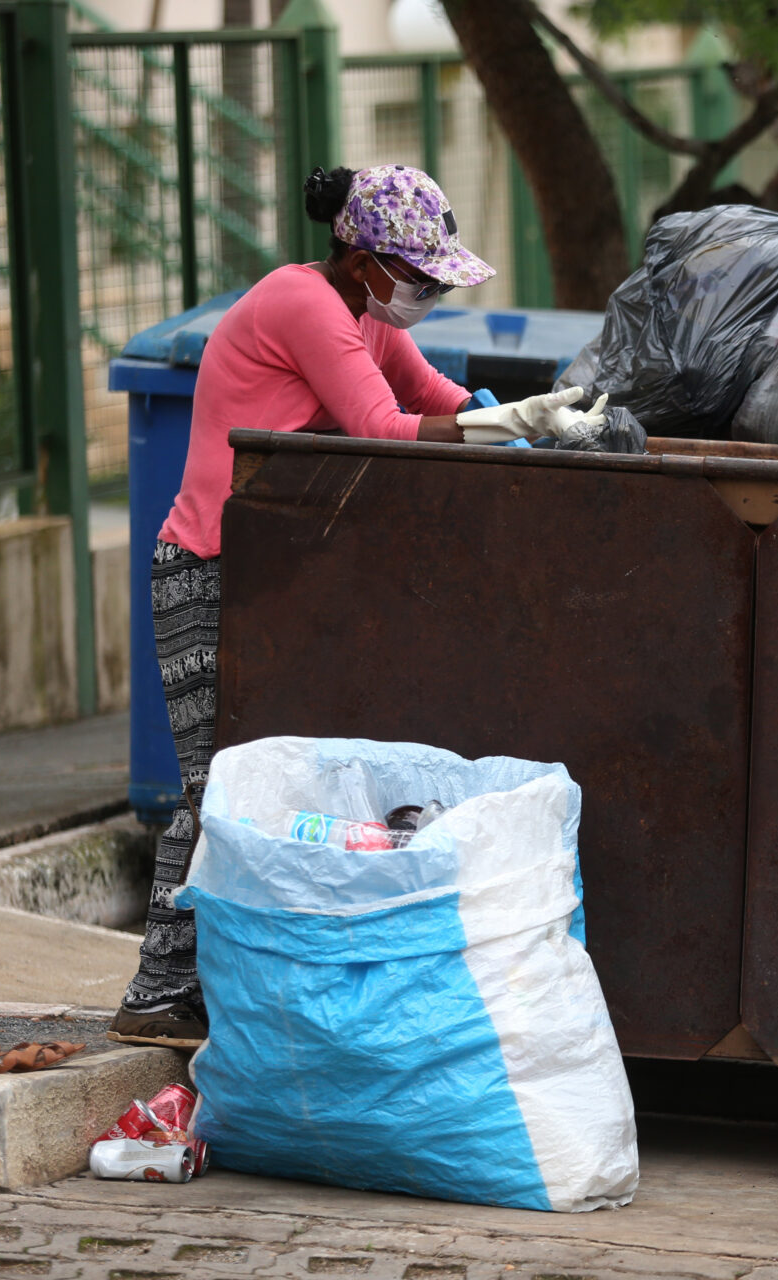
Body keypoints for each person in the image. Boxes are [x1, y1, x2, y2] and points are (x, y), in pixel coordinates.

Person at [107, 164, 495, 1049]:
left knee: (282, 790)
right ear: (363, 261)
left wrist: (500, 412)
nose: (428, 293)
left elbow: (428, 395)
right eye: (421, 277)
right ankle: (157, 992)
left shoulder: (359, 314)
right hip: (207, 569)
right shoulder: (303, 304)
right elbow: (380, 426)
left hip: (280, 577)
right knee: (214, 784)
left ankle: (230, 982)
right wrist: (491, 431)